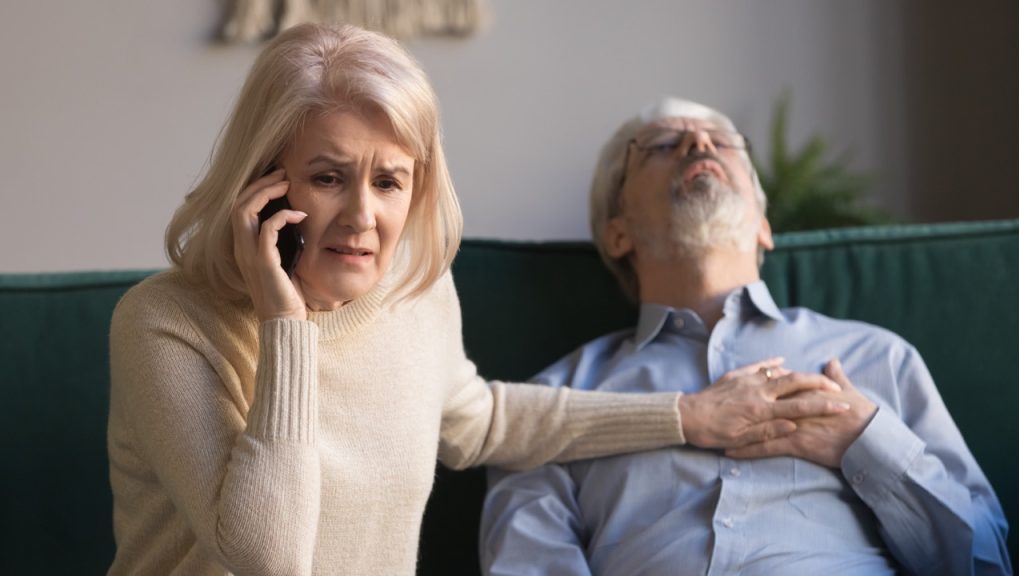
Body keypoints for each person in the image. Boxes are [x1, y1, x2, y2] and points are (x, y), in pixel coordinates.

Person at [105, 28, 845, 575]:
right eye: (328, 177)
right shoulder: (166, 324)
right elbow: (269, 557)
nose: (363, 217)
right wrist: (284, 324)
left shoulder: (414, 289)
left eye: (389, 182)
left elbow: (480, 422)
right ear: (264, 184)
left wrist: (687, 416)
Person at [479, 97, 1011, 575]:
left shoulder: (877, 357)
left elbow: (985, 562)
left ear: (763, 225)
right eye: (662, 144)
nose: (699, 143)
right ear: (617, 233)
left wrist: (867, 443)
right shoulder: (551, 405)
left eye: (723, 142)